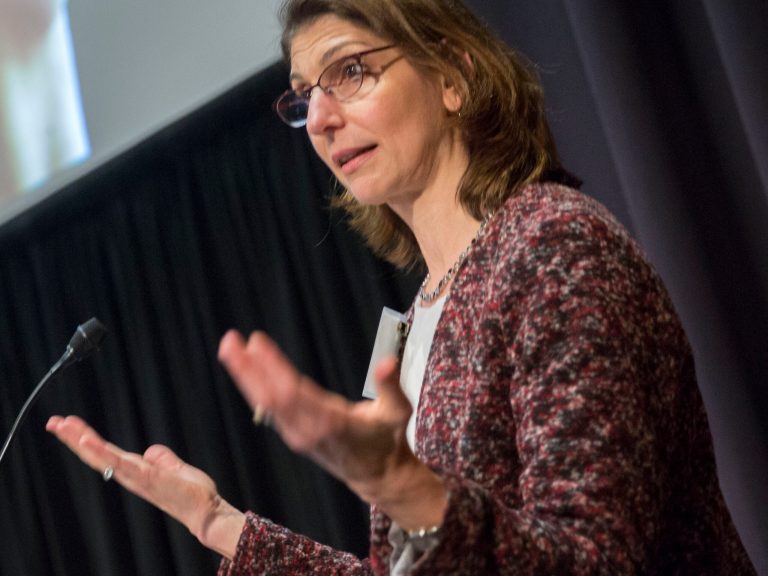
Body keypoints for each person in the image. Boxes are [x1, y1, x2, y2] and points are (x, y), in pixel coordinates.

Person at [46, 0, 756, 573]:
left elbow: (592, 558)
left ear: (453, 74)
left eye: (351, 71)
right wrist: (221, 525)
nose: (320, 120)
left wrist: (403, 487)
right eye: (304, 98)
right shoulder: (422, 318)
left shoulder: (552, 248)